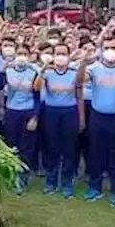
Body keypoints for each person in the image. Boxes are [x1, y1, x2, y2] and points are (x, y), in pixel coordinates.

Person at [77, 36, 115, 208]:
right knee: (96, 153)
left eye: (114, 48)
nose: (110, 51)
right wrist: (83, 61)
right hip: (97, 116)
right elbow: (79, 82)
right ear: (101, 50)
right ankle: (94, 187)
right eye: (107, 48)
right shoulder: (93, 68)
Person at [33, 43, 80, 197]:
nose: (60, 56)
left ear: (68, 55)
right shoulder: (48, 73)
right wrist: (44, 69)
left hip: (69, 112)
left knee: (69, 149)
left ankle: (67, 182)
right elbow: (36, 87)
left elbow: (79, 95)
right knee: (51, 147)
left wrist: (81, 118)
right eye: (57, 53)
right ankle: (51, 180)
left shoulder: (74, 72)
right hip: (51, 112)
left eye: (63, 53)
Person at [0, 45, 38, 194]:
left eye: (25, 54)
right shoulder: (8, 71)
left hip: (28, 112)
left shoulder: (34, 72)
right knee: (11, 146)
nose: (22, 56)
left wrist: (35, 116)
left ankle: (23, 176)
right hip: (12, 112)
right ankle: (11, 174)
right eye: (19, 53)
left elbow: (37, 96)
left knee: (26, 147)